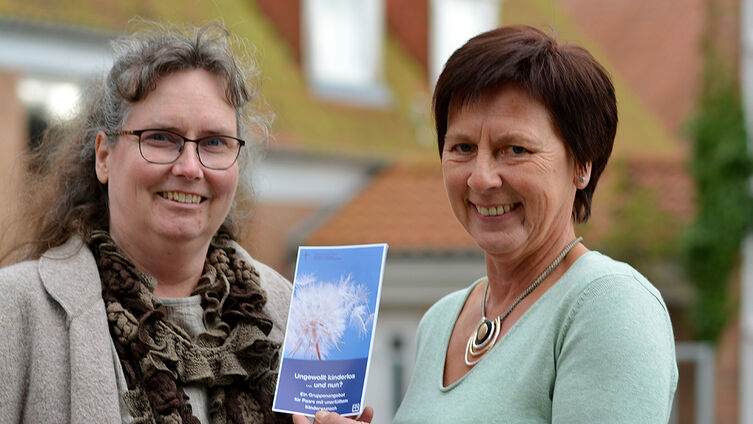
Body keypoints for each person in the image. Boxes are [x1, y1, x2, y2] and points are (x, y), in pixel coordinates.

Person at [0, 22, 294, 423]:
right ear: (104, 157)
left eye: (214, 142)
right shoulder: (15, 311)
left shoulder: (290, 317)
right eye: (160, 137)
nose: (190, 168)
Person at [390, 24, 678, 422]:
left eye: (515, 149)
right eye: (463, 147)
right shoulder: (439, 322)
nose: (481, 178)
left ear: (582, 164)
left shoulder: (609, 306)